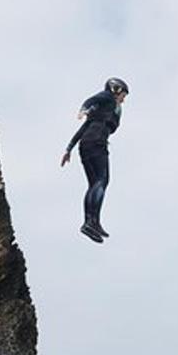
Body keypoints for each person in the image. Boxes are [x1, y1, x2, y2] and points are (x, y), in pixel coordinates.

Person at [60, 78, 129, 243]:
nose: (123, 100)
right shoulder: (108, 98)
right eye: (123, 95)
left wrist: (68, 149)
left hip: (85, 145)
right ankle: (92, 222)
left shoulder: (102, 109)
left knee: (94, 184)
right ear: (116, 90)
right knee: (102, 181)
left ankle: (90, 223)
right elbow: (91, 100)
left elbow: (84, 127)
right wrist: (83, 109)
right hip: (97, 143)